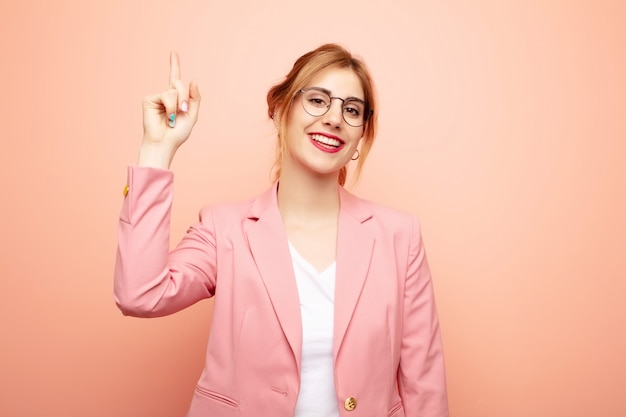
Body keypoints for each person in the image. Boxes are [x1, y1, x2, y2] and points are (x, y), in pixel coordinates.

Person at [114, 43, 448, 417]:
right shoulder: (225, 229)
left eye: (351, 109)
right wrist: (157, 151)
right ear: (279, 111)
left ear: (360, 136)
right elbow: (140, 294)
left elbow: (424, 382)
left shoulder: (400, 236)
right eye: (318, 100)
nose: (335, 118)